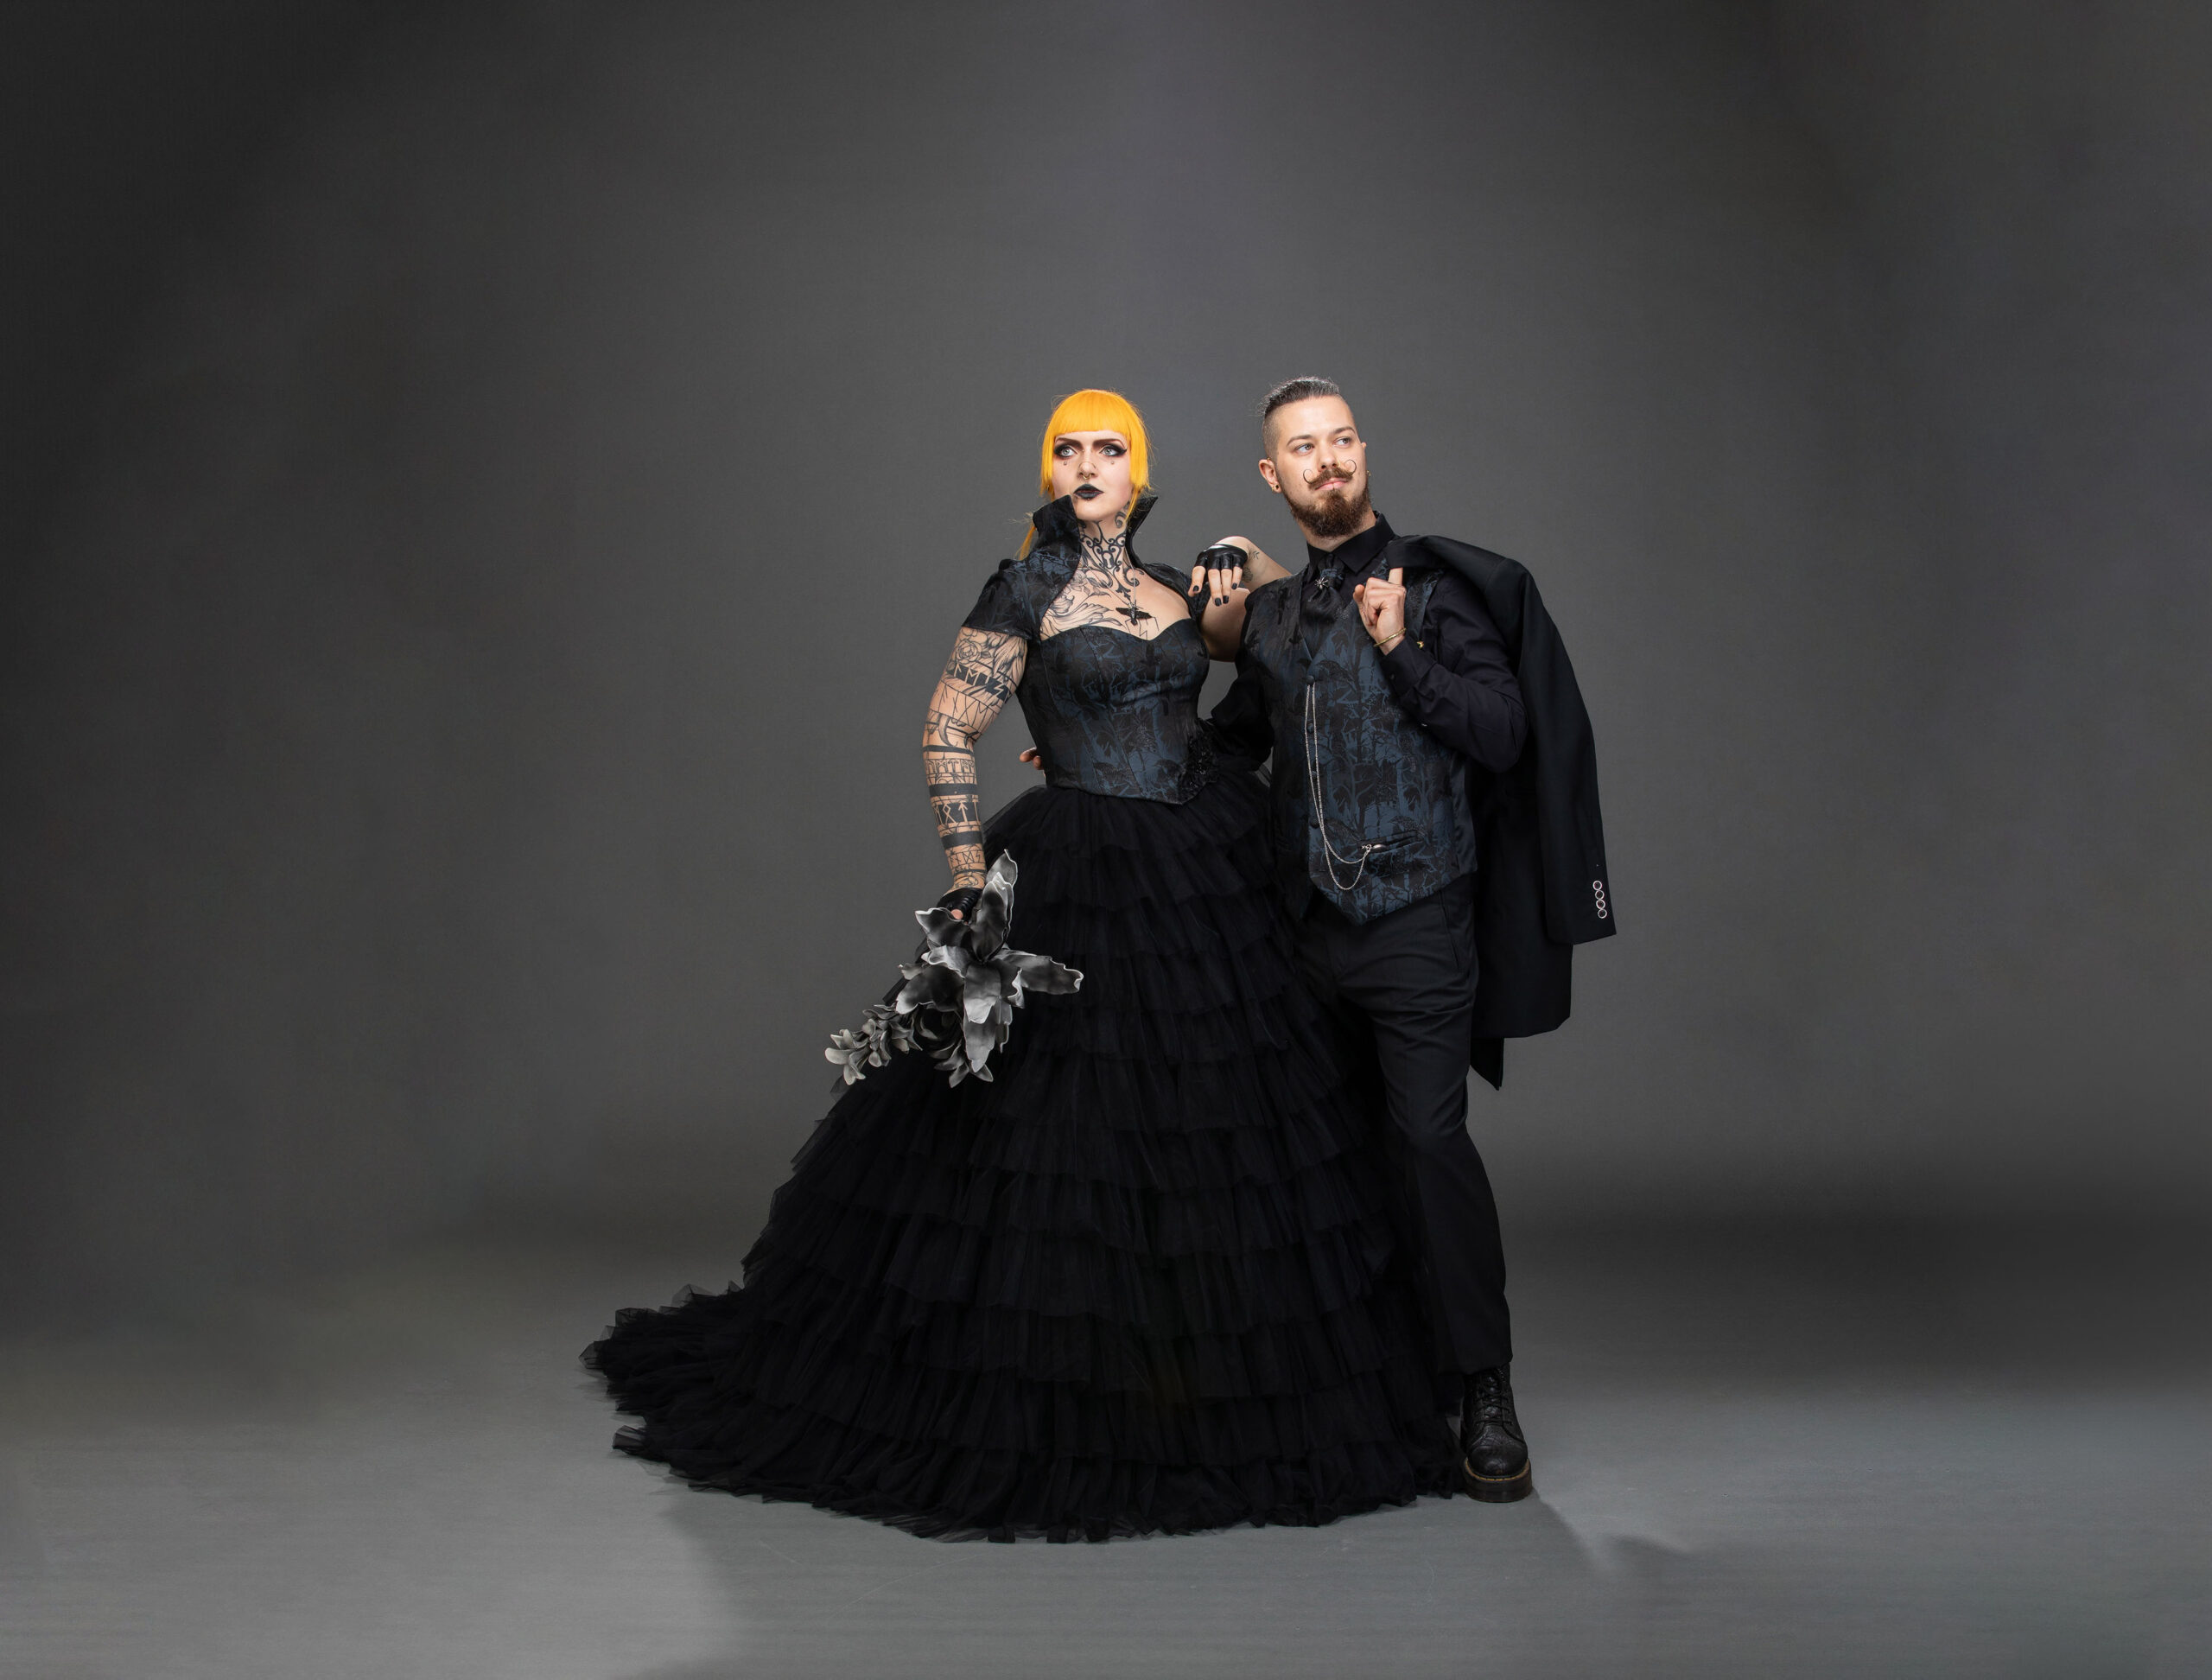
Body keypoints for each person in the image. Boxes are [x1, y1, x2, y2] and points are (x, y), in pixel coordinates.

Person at [584, 389, 1456, 1541]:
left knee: (1214, 1131)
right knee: (1057, 1142)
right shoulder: (1023, 590)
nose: (1088, 465)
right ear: (1049, 471)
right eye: (1068, 449)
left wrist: (1240, 565)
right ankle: (1074, 1398)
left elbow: (1278, 644)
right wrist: (965, 876)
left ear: (1139, 472)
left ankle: (1201, 1386)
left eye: (1110, 449)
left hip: (1203, 860)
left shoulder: (1178, 590)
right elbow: (948, 726)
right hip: (1076, 864)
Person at [1190, 377, 1617, 1504]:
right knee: (1324, 1164)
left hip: (1420, 924)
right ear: (1274, 477)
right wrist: (1108, 754)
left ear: (1363, 453)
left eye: (1340, 441)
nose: (1327, 461)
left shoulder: (1434, 590)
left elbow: (1503, 732)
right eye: (1303, 449)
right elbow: (1233, 744)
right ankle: (1367, 1384)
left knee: (1428, 1146)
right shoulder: (1271, 620)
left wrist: (1400, 651)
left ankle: (1485, 1386)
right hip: (1303, 937)